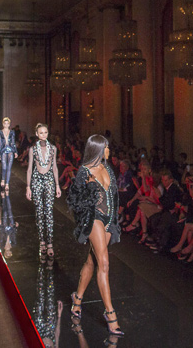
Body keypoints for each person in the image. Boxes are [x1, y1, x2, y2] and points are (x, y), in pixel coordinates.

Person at [67, 134, 123, 336]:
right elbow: (74, 202)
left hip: (109, 220)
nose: (109, 151)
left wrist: (114, 221)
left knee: (92, 261)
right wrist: (91, 190)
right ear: (98, 149)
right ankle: (110, 313)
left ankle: (77, 299)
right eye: (106, 147)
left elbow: (114, 196)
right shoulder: (84, 171)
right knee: (104, 263)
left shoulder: (108, 168)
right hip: (93, 219)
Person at [26, 123, 61, 258]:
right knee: (39, 211)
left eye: (45, 132)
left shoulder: (53, 149)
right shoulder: (33, 149)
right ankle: (42, 241)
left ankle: (50, 243)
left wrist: (57, 185)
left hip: (49, 180)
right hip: (36, 180)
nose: (43, 135)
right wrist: (28, 187)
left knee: (49, 212)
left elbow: (55, 167)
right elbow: (30, 168)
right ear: (37, 134)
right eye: (41, 133)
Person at [0, 117, 17, 191]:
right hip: (3, 150)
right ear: (3, 124)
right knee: (4, 166)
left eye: (7, 123)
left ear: (9, 124)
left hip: (10, 150)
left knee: (9, 167)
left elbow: (13, 142)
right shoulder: (0, 132)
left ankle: (7, 184)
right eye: (5, 123)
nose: (6, 125)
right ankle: (3, 179)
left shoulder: (12, 132)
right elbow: (0, 143)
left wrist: (15, 152)